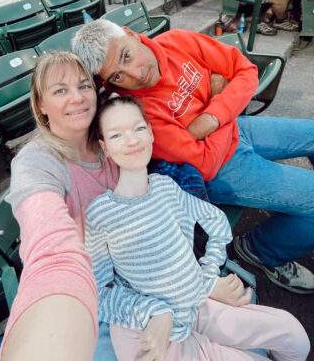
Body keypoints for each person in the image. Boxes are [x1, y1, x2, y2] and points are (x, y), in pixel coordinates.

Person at [72, 19, 314, 295]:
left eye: (126, 55)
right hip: (225, 170)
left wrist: (212, 118)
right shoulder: (137, 113)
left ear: (131, 35)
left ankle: (295, 212)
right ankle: (261, 250)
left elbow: (246, 70)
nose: (134, 74)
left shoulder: (177, 41)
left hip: (238, 128)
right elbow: (206, 165)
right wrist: (222, 100)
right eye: (117, 76)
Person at [85, 94, 310, 361]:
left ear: (151, 134)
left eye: (138, 128)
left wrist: (207, 276)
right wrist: (155, 311)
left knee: (294, 335)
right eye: (116, 135)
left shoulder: (165, 187)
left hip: (193, 302)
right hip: (147, 330)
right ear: (105, 148)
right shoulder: (100, 212)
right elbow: (100, 292)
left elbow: (215, 221)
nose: (132, 140)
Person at [0, 50, 123, 360]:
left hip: (138, 268)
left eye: (84, 85)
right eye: (60, 91)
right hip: (94, 295)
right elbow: (51, 246)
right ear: (41, 105)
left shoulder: (114, 138)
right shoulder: (36, 161)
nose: (78, 98)